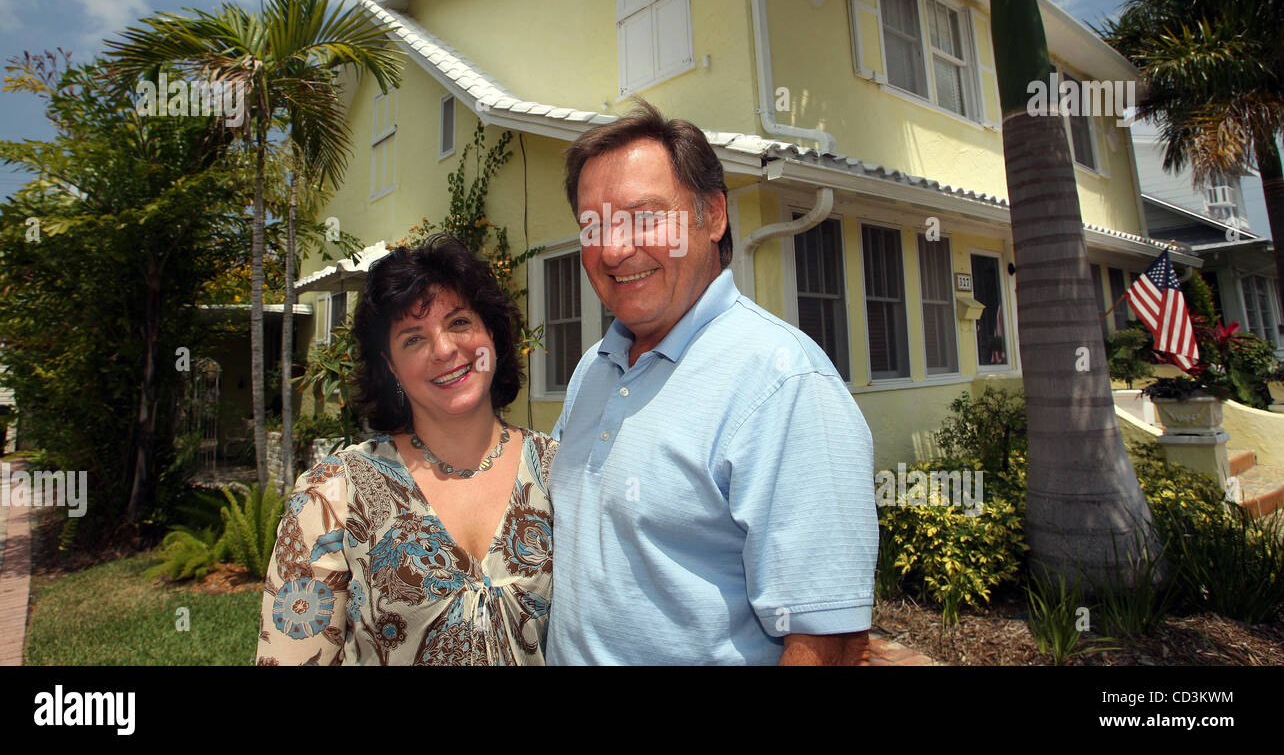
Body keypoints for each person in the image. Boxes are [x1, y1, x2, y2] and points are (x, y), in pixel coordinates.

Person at [547, 100, 878, 665]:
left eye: (643, 216)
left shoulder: (782, 382)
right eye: (593, 226)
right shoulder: (593, 370)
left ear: (714, 215)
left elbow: (828, 642)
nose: (613, 249)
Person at [257, 233, 557, 665]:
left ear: (491, 332)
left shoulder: (560, 473)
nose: (444, 349)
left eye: (459, 322)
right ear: (391, 367)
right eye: (413, 338)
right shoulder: (334, 496)